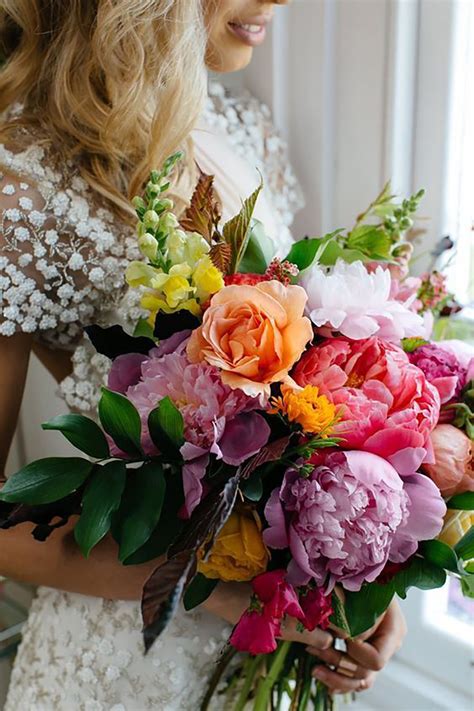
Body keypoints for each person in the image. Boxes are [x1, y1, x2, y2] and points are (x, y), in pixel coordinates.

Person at [0, 1, 407, 708]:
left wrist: (359, 581)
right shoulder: (23, 187)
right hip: (124, 664)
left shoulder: (242, 126)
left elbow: (306, 388)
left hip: (270, 645)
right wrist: (214, 584)